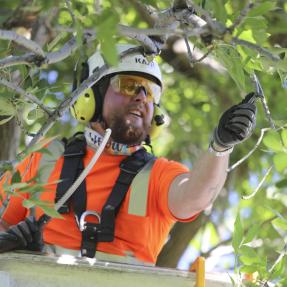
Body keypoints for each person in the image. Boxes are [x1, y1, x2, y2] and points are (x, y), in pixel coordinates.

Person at [0, 44, 257, 265]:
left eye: (150, 91)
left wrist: (221, 147)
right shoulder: (45, 155)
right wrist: (15, 248)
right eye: (129, 85)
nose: (142, 98)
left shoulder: (159, 174)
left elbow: (196, 195)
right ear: (91, 96)